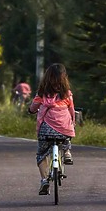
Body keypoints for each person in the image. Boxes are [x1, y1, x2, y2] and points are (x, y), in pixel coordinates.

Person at [28, 64, 76, 195]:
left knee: (41, 153)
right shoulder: (67, 94)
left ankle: (44, 180)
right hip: (64, 130)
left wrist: (31, 110)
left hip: (46, 130)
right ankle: (66, 152)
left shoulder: (42, 94)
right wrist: (73, 123)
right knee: (67, 131)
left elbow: (33, 108)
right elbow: (71, 112)